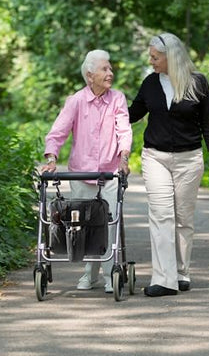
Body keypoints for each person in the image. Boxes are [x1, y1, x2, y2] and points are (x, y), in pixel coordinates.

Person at [128, 32, 209, 297]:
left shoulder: (197, 83)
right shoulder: (150, 83)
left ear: (171, 56)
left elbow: (208, 121)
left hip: (189, 159)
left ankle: (181, 273)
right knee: (161, 215)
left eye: (155, 57)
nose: (151, 60)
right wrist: (106, 107)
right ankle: (164, 279)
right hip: (155, 157)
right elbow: (131, 115)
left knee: (183, 219)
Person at [41, 49, 132, 293]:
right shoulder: (76, 101)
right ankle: (89, 275)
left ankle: (111, 273)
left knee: (109, 223)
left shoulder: (117, 99)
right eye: (105, 69)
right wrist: (51, 158)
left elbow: (124, 129)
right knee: (83, 224)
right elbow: (57, 132)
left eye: (110, 68)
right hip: (81, 174)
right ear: (90, 75)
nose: (110, 73)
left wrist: (124, 156)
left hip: (110, 174)